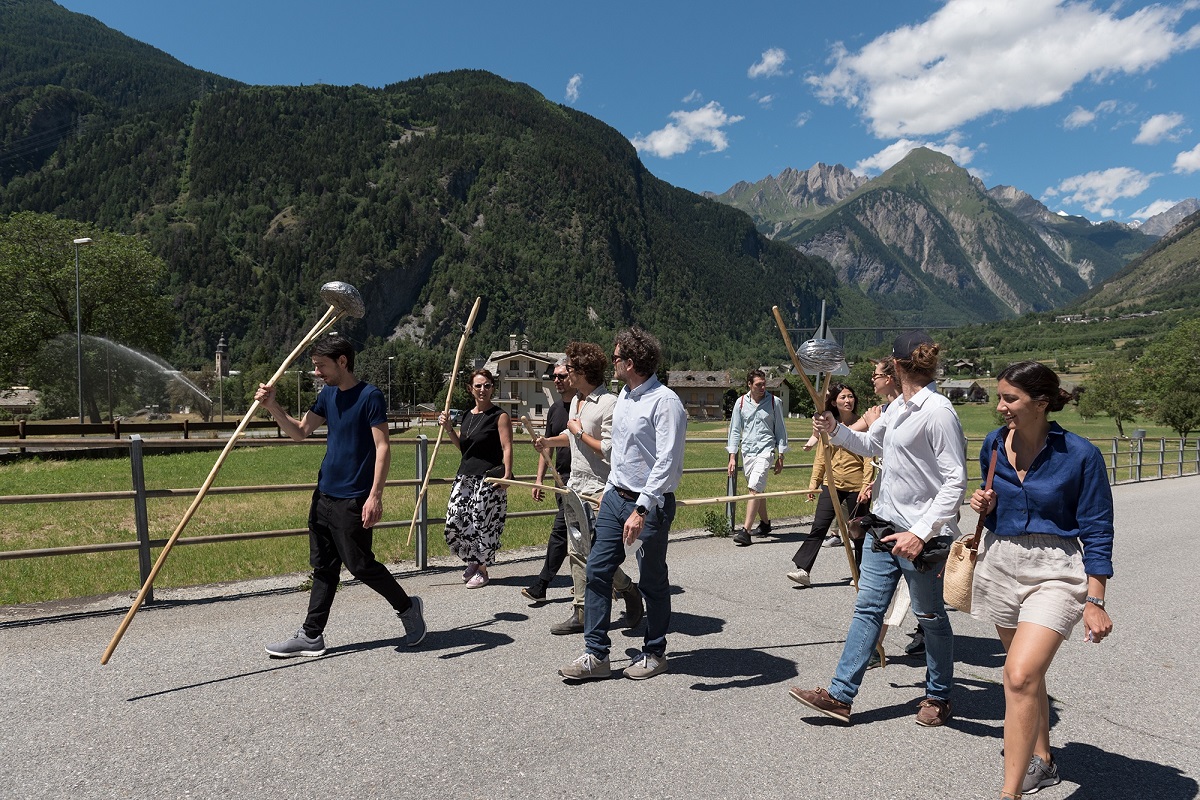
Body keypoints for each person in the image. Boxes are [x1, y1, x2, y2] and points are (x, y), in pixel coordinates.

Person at [789, 331, 966, 727]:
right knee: (868, 609)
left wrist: (920, 533)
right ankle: (840, 695)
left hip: (922, 539)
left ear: (898, 366)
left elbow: (956, 482)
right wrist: (834, 428)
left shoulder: (938, 411)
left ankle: (938, 696)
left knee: (930, 615)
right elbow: (869, 445)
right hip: (883, 528)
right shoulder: (897, 409)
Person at [968, 361, 1114, 800]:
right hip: (1001, 561)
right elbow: (995, 510)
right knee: (1026, 674)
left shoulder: (1080, 454)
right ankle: (1044, 760)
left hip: (1055, 568)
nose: (1000, 407)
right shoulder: (994, 443)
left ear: (1041, 403)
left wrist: (1096, 599)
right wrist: (985, 504)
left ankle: (1007, 794)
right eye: (1000, 397)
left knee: (1017, 674)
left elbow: (1098, 528)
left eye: (1010, 398)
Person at [258, 336, 426, 656]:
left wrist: (375, 496)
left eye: (321, 366)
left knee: (361, 565)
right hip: (324, 495)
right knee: (323, 568)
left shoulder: (369, 396)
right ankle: (311, 635)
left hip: (354, 498)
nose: (317, 373)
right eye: (315, 367)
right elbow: (299, 432)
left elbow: (383, 447)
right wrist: (272, 406)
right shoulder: (327, 395)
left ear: (343, 362)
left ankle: (407, 608)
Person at [558, 327, 686, 681]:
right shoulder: (626, 398)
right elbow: (622, 455)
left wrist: (642, 509)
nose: (612, 363)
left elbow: (666, 462)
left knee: (652, 580)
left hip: (651, 504)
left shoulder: (665, 402)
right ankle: (596, 655)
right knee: (598, 571)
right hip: (616, 497)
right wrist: (611, 491)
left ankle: (655, 652)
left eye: (615, 358)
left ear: (630, 363)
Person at [534, 342, 643, 635]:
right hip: (575, 485)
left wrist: (578, 431)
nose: (565, 374)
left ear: (582, 371)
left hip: (600, 488)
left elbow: (608, 450)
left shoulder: (609, 403)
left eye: (569, 369)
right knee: (577, 551)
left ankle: (629, 589)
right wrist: (549, 442)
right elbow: (571, 439)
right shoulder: (576, 402)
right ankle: (581, 611)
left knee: (596, 553)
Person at [786, 383, 873, 586]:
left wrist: (866, 485)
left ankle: (861, 573)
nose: (848, 401)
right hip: (831, 484)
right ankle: (803, 570)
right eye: (843, 397)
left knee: (858, 531)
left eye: (850, 397)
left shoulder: (865, 423)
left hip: (856, 486)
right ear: (834, 401)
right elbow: (821, 457)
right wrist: (813, 483)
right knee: (819, 526)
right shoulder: (828, 425)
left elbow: (870, 457)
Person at [439, 368, 513, 589]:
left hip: (488, 479)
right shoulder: (467, 415)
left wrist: (507, 475)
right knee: (456, 522)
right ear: (470, 389)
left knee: (482, 524)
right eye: (478, 386)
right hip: (465, 478)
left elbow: (507, 447)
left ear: (492, 388)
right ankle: (473, 560)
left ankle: (482, 570)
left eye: (487, 385)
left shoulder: (500, 416)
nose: (483, 390)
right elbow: (464, 447)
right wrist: (449, 429)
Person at [522, 359, 575, 603]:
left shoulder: (581, 405)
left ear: (573, 376)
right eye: (554, 376)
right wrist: (539, 479)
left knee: (561, 531)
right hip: (560, 479)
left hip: (581, 481)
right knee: (577, 534)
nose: (556, 380)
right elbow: (547, 448)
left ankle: (542, 584)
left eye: (562, 376)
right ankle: (594, 581)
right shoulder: (554, 409)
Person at [726, 368, 788, 547]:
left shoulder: (774, 402)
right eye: (758, 384)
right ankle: (766, 524)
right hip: (747, 452)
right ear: (749, 385)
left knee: (753, 487)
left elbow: (780, 430)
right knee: (757, 489)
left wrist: (781, 455)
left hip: (766, 450)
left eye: (764, 384)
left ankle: (745, 531)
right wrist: (732, 456)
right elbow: (735, 430)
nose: (762, 387)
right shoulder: (740, 403)